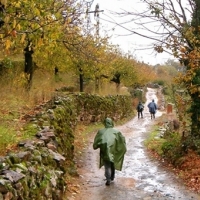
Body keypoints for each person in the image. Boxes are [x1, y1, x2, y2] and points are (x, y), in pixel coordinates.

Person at [93, 117, 127, 186]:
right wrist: (121, 149)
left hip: (105, 151)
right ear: (111, 123)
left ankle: (108, 179)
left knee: (107, 165)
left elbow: (96, 142)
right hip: (114, 151)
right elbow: (122, 141)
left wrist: (96, 146)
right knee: (112, 163)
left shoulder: (101, 131)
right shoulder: (116, 132)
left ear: (105, 123)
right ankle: (112, 177)